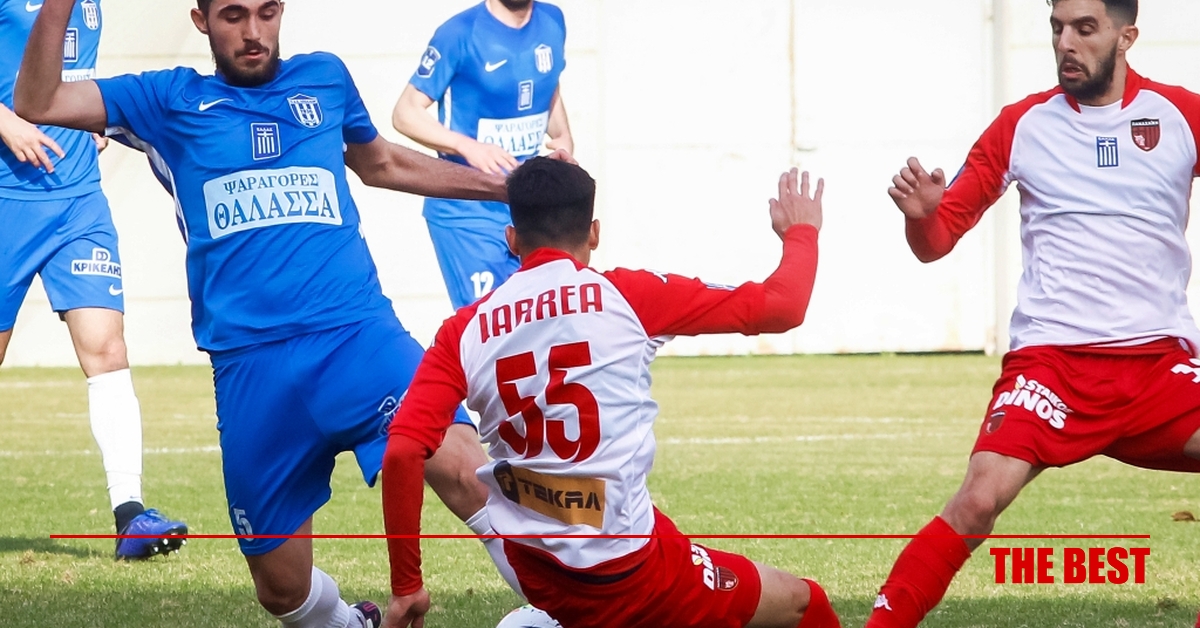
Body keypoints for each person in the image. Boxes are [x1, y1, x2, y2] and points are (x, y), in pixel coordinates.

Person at [16, 1, 536, 626]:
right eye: (234, 15)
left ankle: (570, 611)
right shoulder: (166, 98)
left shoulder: (325, 77)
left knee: (466, 470)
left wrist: (510, 188)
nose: (253, 32)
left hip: (357, 337)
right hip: (251, 369)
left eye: (266, 12)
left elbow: (384, 163)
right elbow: (38, 101)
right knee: (282, 590)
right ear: (202, 21)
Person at [381, 158, 841, 628]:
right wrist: (801, 232)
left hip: (536, 570)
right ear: (594, 233)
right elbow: (783, 306)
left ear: (512, 239)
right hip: (632, 576)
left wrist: (406, 586)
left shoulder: (463, 330)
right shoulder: (627, 296)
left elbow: (401, 450)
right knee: (805, 603)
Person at [867, 1, 1200, 626]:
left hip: (1158, 367)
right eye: (1057, 27)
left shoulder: (1181, 115)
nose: (1065, 42)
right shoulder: (1021, 125)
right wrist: (922, 217)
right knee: (977, 500)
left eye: (1084, 28)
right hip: (1052, 367)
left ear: (1126, 36)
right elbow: (936, 242)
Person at [0, 0, 188, 560]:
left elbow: (69, 70)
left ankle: (131, 517)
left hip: (79, 201)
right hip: (8, 201)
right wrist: (6, 121)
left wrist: (86, 120)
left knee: (107, 350)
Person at [392, 0, 572, 309]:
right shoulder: (459, 33)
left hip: (530, 203)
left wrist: (563, 136)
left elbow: (548, 85)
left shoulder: (553, 20)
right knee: (491, 318)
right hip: (468, 208)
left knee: (542, 316)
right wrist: (467, 146)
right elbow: (405, 112)